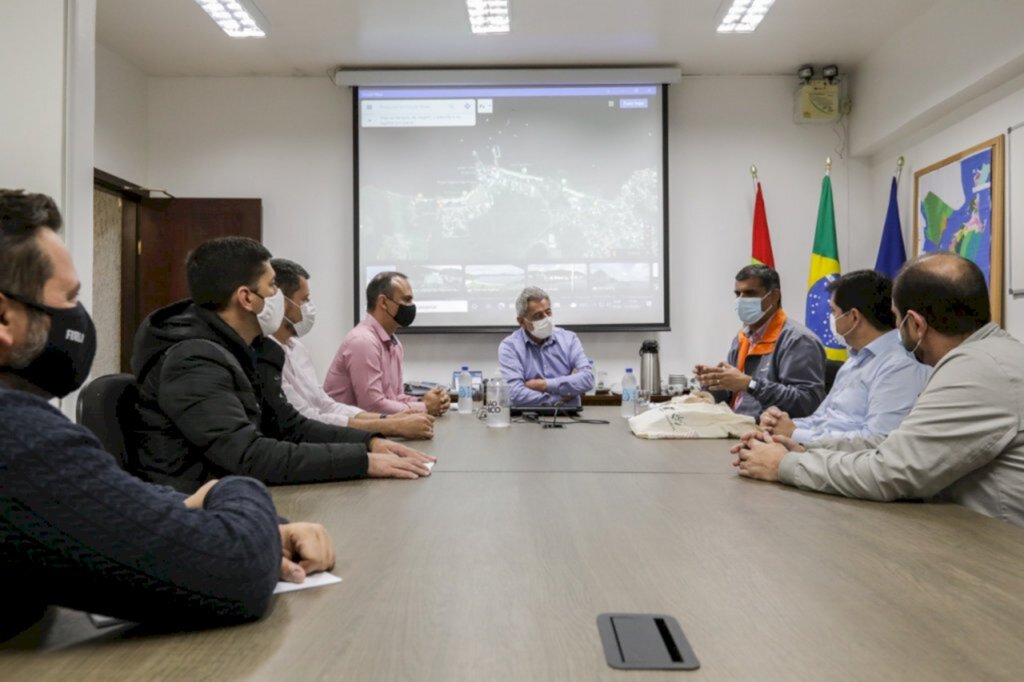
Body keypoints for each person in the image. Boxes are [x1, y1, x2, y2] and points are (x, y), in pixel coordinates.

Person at [0, 190, 334, 642]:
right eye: (68, 298)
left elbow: (102, 507)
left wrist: (186, 509)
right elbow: (231, 572)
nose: (77, 317)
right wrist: (230, 491)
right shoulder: (16, 437)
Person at [733, 254, 1024, 527]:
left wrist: (786, 465)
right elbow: (892, 446)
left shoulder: (976, 370)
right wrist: (804, 450)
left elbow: (892, 471)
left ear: (916, 324)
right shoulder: (987, 356)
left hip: (997, 552)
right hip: (963, 530)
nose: (895, 330)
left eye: (897, 320)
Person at [130, 238, 435, 494]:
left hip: (240, 491)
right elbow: (249, 455)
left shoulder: (247, 349)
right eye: (273, 285)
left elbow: (291, 426)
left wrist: (370, 443)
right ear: (247, 298)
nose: (280, 297)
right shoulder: (193, 361)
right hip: (199, 507)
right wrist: (362, 461)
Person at [268, 259, 435, 440]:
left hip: (336, 435)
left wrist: (405, 413)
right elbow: (310, 418)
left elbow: (326, 405)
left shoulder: (297, 349)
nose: (310, 306)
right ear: (280, 302)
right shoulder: (362, 341)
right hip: (323, 440)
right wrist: (393, 423)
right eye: (305, 299)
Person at [759, 269, 930, 442]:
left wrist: (795, 434)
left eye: (834, 312)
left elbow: (878, 440)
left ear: (854, 317)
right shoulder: (855, 360)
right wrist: (779, 424)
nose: (831, 319)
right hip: (819, 454)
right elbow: (821, 420)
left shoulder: (900, 366)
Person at [694, 264, 825, 419]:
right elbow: (735, 395)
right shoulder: (742, 338)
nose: (741, 300)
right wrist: (714, 383)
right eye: (738, 294)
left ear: (774, 296)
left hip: (769, 435)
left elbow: (807, 404)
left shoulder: (798, 340)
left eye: (750, 293)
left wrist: (750, 384)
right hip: (736, 425)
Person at [324, 271, 449, 416]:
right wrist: (425, 407)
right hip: (347, 433)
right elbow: (372, 406)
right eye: (406, 300)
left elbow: (395, 398)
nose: (411, 306)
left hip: (372, 428)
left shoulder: (394, 343)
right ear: (383, 302)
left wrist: (427, 401)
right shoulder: (363, 342)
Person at [498, 286, 594, 407]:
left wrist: (544, 385)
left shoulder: (569, 339)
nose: (546, 319)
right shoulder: (510, 346)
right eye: (538, 316)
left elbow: (588, 379)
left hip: (569, 417)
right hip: (526, 419)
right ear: (521, 321)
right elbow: (515, 394)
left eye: (548, 312)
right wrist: (562, 396)